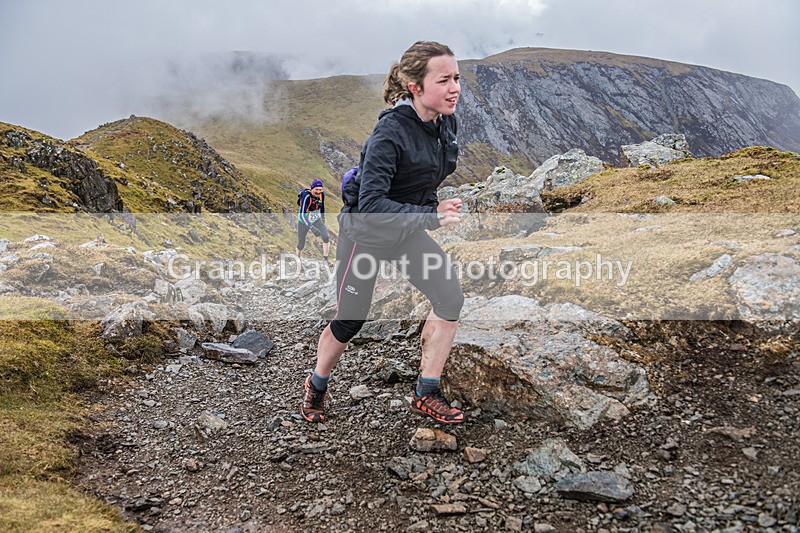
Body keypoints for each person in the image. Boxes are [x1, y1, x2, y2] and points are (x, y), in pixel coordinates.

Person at [301, 41, 465, 424]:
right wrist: (430, 215)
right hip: (366, 236)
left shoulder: (445, 122)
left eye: (457, 77)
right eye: (444, 80)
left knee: (449, 297)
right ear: (415, 87)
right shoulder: (389, 134)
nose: (455, 87)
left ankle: (427, 391)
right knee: (350, 319)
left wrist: (427, 210)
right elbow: (373, 205)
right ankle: (317, 383)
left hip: (405, 232)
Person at [296, 178, 331, 263]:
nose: (318, 192)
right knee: (301, 243)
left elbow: (322, 208)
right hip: (304, 220)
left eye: (320, 189)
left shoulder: (322, 195)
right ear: (312, 189)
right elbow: (302, 215)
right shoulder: (307, 196)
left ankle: (326, 260)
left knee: (326, 237)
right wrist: (312, 227)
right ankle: (297, 260)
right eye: (316, 189)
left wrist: (323, 220)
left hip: (316, 219)